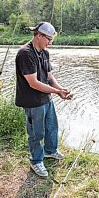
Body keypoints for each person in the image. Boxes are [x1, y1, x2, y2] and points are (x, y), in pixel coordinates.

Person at [15, 22, 72, 177]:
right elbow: (33, 83)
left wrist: (60, 90)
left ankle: (50, 151)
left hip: (46, 99)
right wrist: (56, 91)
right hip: (32, 102)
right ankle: (36, 161)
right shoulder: (25, 53)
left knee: (52, 127)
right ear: (38, 35)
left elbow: (49, 76)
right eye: (49, 39)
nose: (50, 43)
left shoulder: (45, 53)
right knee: (36, 133)